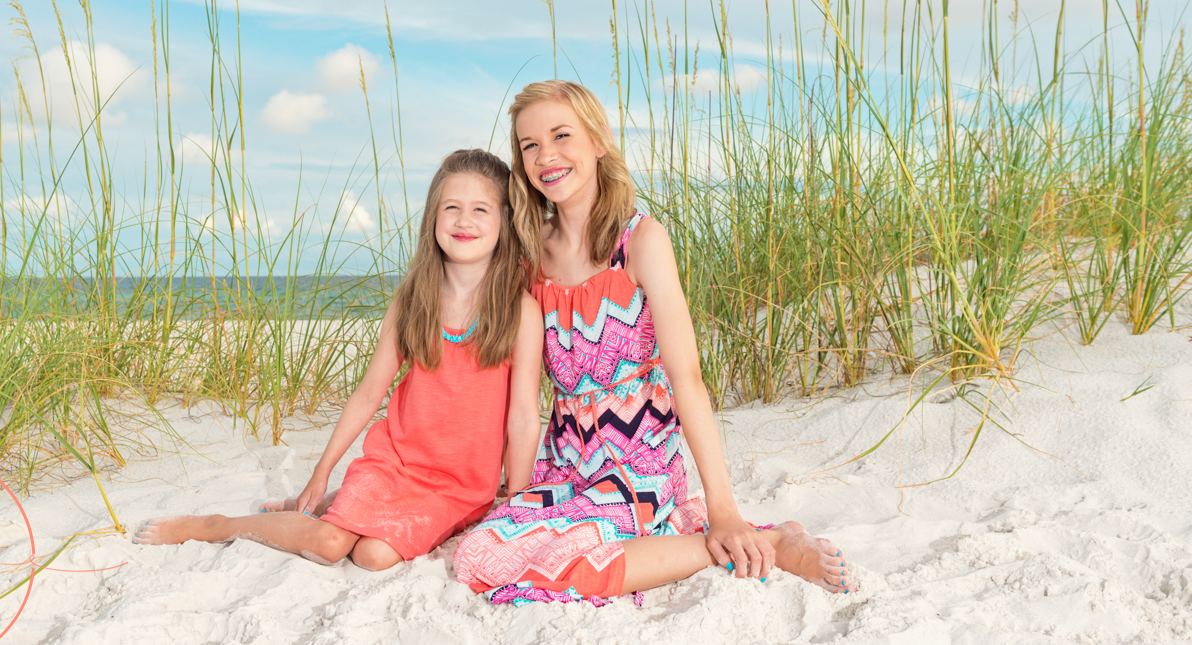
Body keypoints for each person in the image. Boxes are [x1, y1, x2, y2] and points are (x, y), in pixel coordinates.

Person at [452, 81, 852, 604]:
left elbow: (686, 377)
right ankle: (693, 541)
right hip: (569, 457)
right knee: (478, 557)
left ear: (598, 140)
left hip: (640, 454)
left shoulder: (641, 241)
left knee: (575, 570)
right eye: (529, 146)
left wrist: (724, 509)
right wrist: (519, 497)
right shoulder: (533, 257)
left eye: (561, 135)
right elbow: (526, 407)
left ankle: (764, 540)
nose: (546, 155)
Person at [134, 149, 544, 570]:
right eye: (451, 207)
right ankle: (216, 525)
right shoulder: (413, 301)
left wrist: (516, 500)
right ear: (433, 218)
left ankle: (335, 504)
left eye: (481, 209)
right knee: (331, 544)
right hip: (394, 462)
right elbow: (369, 394)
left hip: (457, 487)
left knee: (373, 555)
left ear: (504, 223)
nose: (464, 220)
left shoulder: (519, 312)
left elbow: (524, 417)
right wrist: (321, 471)